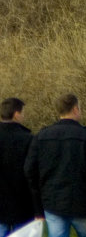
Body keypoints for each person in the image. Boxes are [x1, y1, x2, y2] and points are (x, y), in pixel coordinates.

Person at [24, 93, 86, 237]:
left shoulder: (42, 136)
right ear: (75, 109)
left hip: (52, 202)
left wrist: (38, 204)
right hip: (83, 203)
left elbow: (29, 171)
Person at [0, 97, 34, 235]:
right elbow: (32, 172)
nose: (24, 116)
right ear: (16, 114)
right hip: (23, 203)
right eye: (23, 112)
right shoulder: (28, 138)